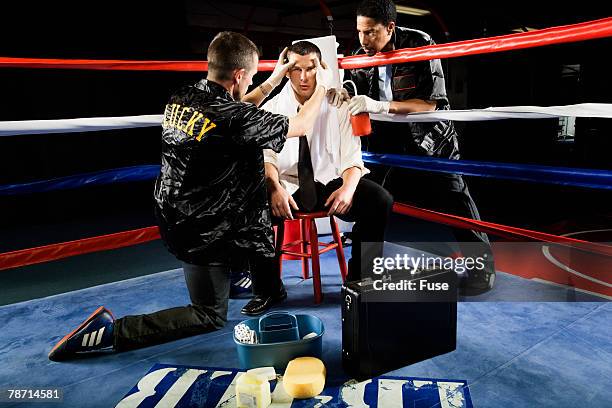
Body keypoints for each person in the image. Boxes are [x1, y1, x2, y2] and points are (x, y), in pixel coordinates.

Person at [48, 31, 335, 361]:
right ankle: (114, 331)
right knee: (209, 314)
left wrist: (272, 80)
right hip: (206, 232)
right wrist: (323, 88)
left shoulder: (183, 96)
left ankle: (245, 277)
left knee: (250, 178)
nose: (253, 80)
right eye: (252, 75)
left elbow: (235, 111)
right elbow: (299, 125)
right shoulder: (233, 117)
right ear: (239, 75)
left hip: (172, 216)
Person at [329, 0, 495, 295]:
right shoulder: (359, 55)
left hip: (430, 134)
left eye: (370, 33)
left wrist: (380, 105)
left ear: (390, 28)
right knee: (370, 198)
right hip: (382, 137)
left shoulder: (419, 43)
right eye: (359, 32)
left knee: (455, 196)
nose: (363, 40)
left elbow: (430, 103)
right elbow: (357, 90)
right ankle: (363, 273)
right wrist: (345, 92)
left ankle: (482, 269)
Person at [240, 41, 393, 316]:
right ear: (286, 72)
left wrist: (348, 188)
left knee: (379, 200)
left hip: (330, 182)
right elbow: (267, 159)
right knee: (252, 204)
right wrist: (273, 187)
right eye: (296, 69)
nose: (303, 77)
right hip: (288, 185)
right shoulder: (272, 106)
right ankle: (268, 289)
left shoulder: (338, 103)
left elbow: (352, 158)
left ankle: (360, 284)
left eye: (310, 69)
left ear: (320, 68)